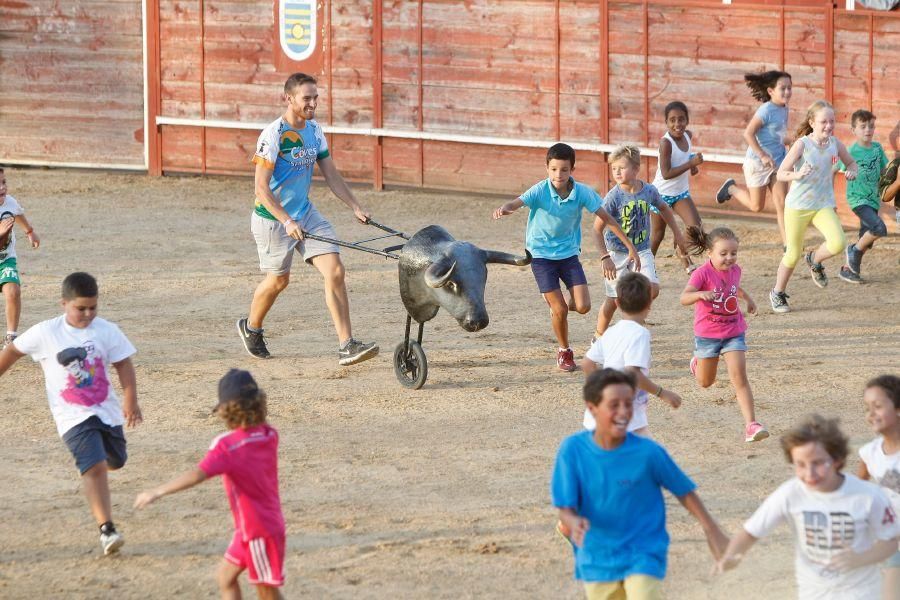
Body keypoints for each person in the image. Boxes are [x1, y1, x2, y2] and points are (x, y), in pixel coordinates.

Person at [237, 72, 378, 366]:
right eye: (307, 98)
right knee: (278, 281)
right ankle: (251, 328)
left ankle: (347, 345)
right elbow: (260, 190)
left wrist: (354, 205)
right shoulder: (273, 135)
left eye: (315, 97)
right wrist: (287, 221)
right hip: (273, 219)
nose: (313, 103)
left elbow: (331, 174)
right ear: (288, 98)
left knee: (336, 270)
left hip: (306, 213)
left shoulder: (314, 130)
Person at [552, 368, 728, 599]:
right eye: (614, 405)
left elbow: (683, 491)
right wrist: (573, 521)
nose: (624, 412)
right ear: (592, 408)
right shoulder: (572, 450)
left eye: (629, 403)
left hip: (643, 551)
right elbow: (564, 506)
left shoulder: (648, 452)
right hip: (597, 558)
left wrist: (712, 529)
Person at [0, 272, 142, 555]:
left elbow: (123, 364)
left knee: (116, 460)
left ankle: (100, 463)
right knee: (95, 466)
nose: (88, 314)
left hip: (107, 413)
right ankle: (107, 529)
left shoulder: (106, 330)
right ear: (64, 303)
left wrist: (131, 401)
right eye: (80, 308)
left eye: (93, 307)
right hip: (72, 417)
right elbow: (13, 351)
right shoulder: (46, 332)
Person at [135, 369, 285, 599]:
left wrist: (157, 491)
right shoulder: (269, 434)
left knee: (266, 591)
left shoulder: (227, 446)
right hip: (251, 527)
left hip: (258, 530)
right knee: (225, 578)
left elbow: (197, 475)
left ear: (225, 409)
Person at [715, 414, 900, 600]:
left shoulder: (867, 496)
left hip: (862, 593)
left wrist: (859, 559)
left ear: (837, 459)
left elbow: (890, 542)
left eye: (818, 463)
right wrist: (732, 554)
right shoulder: (790, 493)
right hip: (813, 593)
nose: (809, 473)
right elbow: (751, 532)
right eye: (800, 465)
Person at [492, 143, 638, 372]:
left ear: (572, 170)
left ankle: (555, 306)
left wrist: (630, 246)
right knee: (560, 309)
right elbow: (517, 202)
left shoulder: (582, 192)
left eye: (564, 170)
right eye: (553, 169)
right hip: (540, 255)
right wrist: (506, 208)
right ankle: (564, 351)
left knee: (583, 306)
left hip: (568, 255)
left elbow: (607, 218)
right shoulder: (540, 189)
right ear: (547, 169)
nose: (558, 175)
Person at [680, 226, 767, 443]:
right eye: (724, 254)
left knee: (740, 377)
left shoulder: (736, 270)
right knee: (705, 382)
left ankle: (751, 425)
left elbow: (735, 288)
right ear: (710, 253)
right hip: (708, 335)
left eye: (733, 253)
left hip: (733, 332)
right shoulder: (702, 273)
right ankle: (697, 363)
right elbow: (684, 298)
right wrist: (700, 294)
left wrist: (748, 300)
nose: (730, 258)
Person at [768, 100, 857, 314]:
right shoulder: (802, 145)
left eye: (832, 122)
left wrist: (853, 170)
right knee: (792, 254)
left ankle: (814, 260)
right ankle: (777, 292)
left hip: (822, 205)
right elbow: (780, 173)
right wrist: (797, 175)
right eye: (823, 122)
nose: (828, 126)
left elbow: (851, 163)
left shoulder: (836, 144)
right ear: (812, 122)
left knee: (838, 243)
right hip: (797, 207)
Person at [593, 145, 688, 338]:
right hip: (617, 253)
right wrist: (605, 257)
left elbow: (664, 208)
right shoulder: (613, 197)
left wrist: (677, 233)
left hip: (642, 250)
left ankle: (633, 320)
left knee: (652, 289)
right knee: (612, 300)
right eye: (614, 168)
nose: (617, 172)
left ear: (636, 169)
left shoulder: (648, 191)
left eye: (622, 167)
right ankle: (599, 335)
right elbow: (596, 229)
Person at [581, 272, 681, 437]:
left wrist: (599, 390)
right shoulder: (640, 333)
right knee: (644, 457)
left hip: (601, 413)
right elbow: (632, 373)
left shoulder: (611, 331)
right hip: (626, 416)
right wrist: (661, 393)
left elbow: (587, 363)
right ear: (649, 303)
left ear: (617, 303)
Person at [716, 70, 793, 246]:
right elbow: (748, 133)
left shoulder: (784, 108)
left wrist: (792, 141)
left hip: (777, 161)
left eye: (789, 88)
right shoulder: (765, 110)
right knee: (756, 206)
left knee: (782, 203)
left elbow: (777, 135)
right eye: (783, 88)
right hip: (758, 163)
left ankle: (788, 245)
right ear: (770, 91)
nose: (787, 92)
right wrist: (763, 155)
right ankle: (732, 189)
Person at [857, 375, 900, 600]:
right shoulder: (870, 453)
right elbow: (856, 492)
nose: (871, 414)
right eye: (867, 408)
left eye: (878, 406)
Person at [650, 101, 704, 273]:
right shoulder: (665, 143)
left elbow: (685, 156)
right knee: (658, 235)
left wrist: (693, 163)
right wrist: (690, 164)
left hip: (680, 194)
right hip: (660, 195)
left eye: (681, 119)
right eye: (672, 120)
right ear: (666, 123)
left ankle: (682, 251)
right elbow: (666, 173)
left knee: (696, 227)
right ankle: (645, 268)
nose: (677, 124)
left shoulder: (688, 135)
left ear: (687, 120)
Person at [838, 109, 889, 284]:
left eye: (871, 126)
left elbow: (885, 171)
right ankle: (853, 250)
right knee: (879, 229)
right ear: (854, 130)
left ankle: (848, 270)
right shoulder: (851, 151)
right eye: (863, 126)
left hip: (873, 199)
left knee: (866, 240)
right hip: (858, 199)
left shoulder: (877, 148)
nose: (868, 130)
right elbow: (836, 166)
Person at [0, 167, 41, 348]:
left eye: (3, 182)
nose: (2, 187)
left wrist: (30, 232)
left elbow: (17, 213)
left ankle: (11, 337)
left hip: (6, 260)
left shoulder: (9, 202)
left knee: (13, 291)